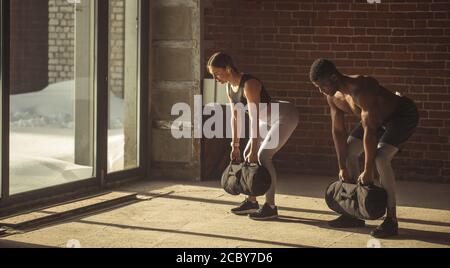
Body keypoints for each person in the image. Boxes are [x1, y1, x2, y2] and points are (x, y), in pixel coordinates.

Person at [310, 59, 419, 238]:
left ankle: (391, 220)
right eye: (317, 87)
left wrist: (368, 171)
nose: (321, 90)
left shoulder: (363, 87)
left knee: (380, 159)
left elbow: (370, 130)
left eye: (322, 85)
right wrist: (342, 167)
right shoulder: (333, 97)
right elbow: (338, 131)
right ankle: (354, 214)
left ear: (333, 76)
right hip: (375, 120)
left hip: (400, 115)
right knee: (350, 152)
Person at [207, 52, 299, 220]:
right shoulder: (229, 87)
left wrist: (255, 149)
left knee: (263, 156)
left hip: (284, 116)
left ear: (227, 68)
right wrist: (234, 146)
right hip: (266, 120)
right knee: (247, 153)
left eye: (216, 74)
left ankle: (270, 206)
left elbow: (253, 118)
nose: (215, 79)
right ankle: (252, 201)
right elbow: (236, 116)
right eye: (212, 75)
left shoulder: (249, 84)